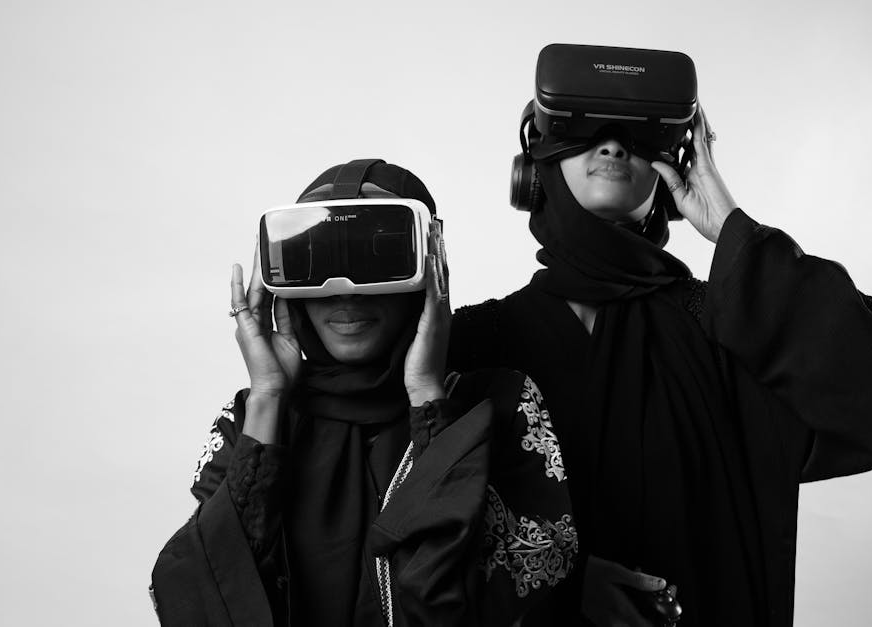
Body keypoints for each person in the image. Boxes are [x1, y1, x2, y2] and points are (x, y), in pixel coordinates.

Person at [448, 97, 872, 624]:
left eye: (639, 133)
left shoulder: (725, 327)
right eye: (584, 127)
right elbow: (405, 546)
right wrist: (563, 588)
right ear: (536, 167)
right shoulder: (477, 343)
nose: (614, 144)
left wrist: (734, 232)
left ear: (673, 172)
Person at [151, 159, 577, 626]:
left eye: (377, 258)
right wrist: (269, 396)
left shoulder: (500, 405)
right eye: (318, 261)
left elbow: (483, 605)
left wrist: (428, 399)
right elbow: (199, 601)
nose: (345, 292)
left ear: (429, 269)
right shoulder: (250, 420)